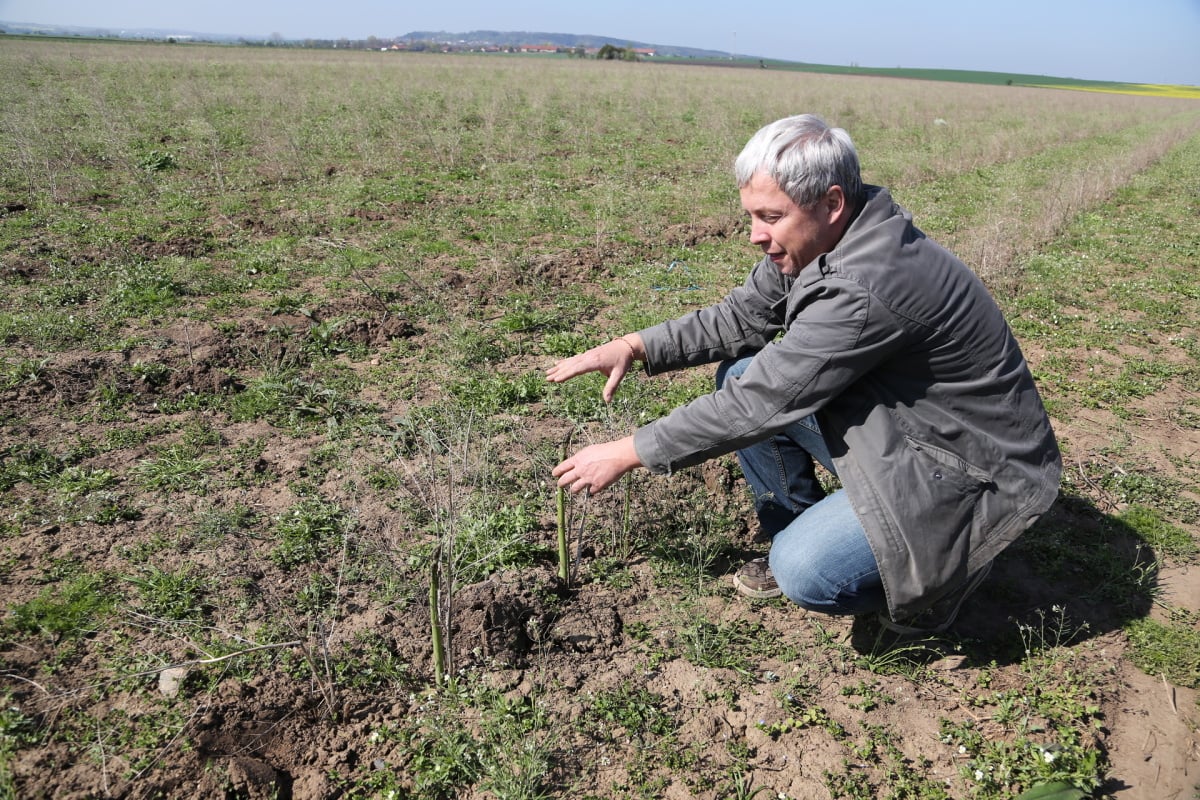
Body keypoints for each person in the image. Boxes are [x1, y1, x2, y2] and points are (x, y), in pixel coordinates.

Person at [547, 114, 1061, 633]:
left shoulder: (866, 283)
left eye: (770, 216)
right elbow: (742, 318)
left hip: (973, 471)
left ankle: (947, 572)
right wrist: (633, 346)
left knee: (806, 570)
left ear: (832, 203)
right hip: (913, 435)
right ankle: (803, 527)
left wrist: (626, 451)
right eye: (752, 215)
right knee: (741, 370)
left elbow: (761, 403)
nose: (755, 235)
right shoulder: (823, 238)